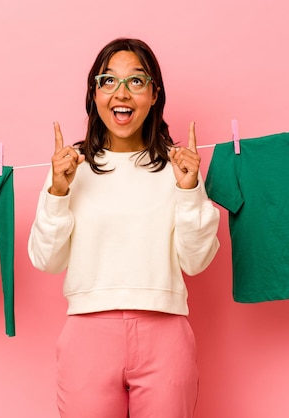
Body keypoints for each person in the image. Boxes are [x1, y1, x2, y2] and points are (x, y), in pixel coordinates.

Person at [28, 38, 220, 418]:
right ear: (94, 93)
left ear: (154, 95)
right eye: (108, 81)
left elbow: (197, 261)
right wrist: (58, 191)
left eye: (136, 81)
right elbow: (46, 260)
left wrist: (188, 189)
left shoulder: (177, 168)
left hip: (165, 332)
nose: (122, 93)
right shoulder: (71, 169)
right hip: (87, 334)